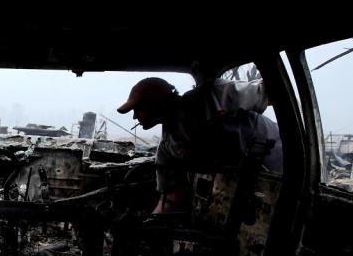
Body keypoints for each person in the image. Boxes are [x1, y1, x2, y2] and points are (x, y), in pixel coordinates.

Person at [117, 76, 283, 213]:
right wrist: (150, 226)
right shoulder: (168, 148)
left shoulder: (212, 96)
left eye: (138, 109)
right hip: (249, 187)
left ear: (156, 103)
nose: (134, 117)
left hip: (283, 163)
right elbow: (172, 197)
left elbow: (268, 91)